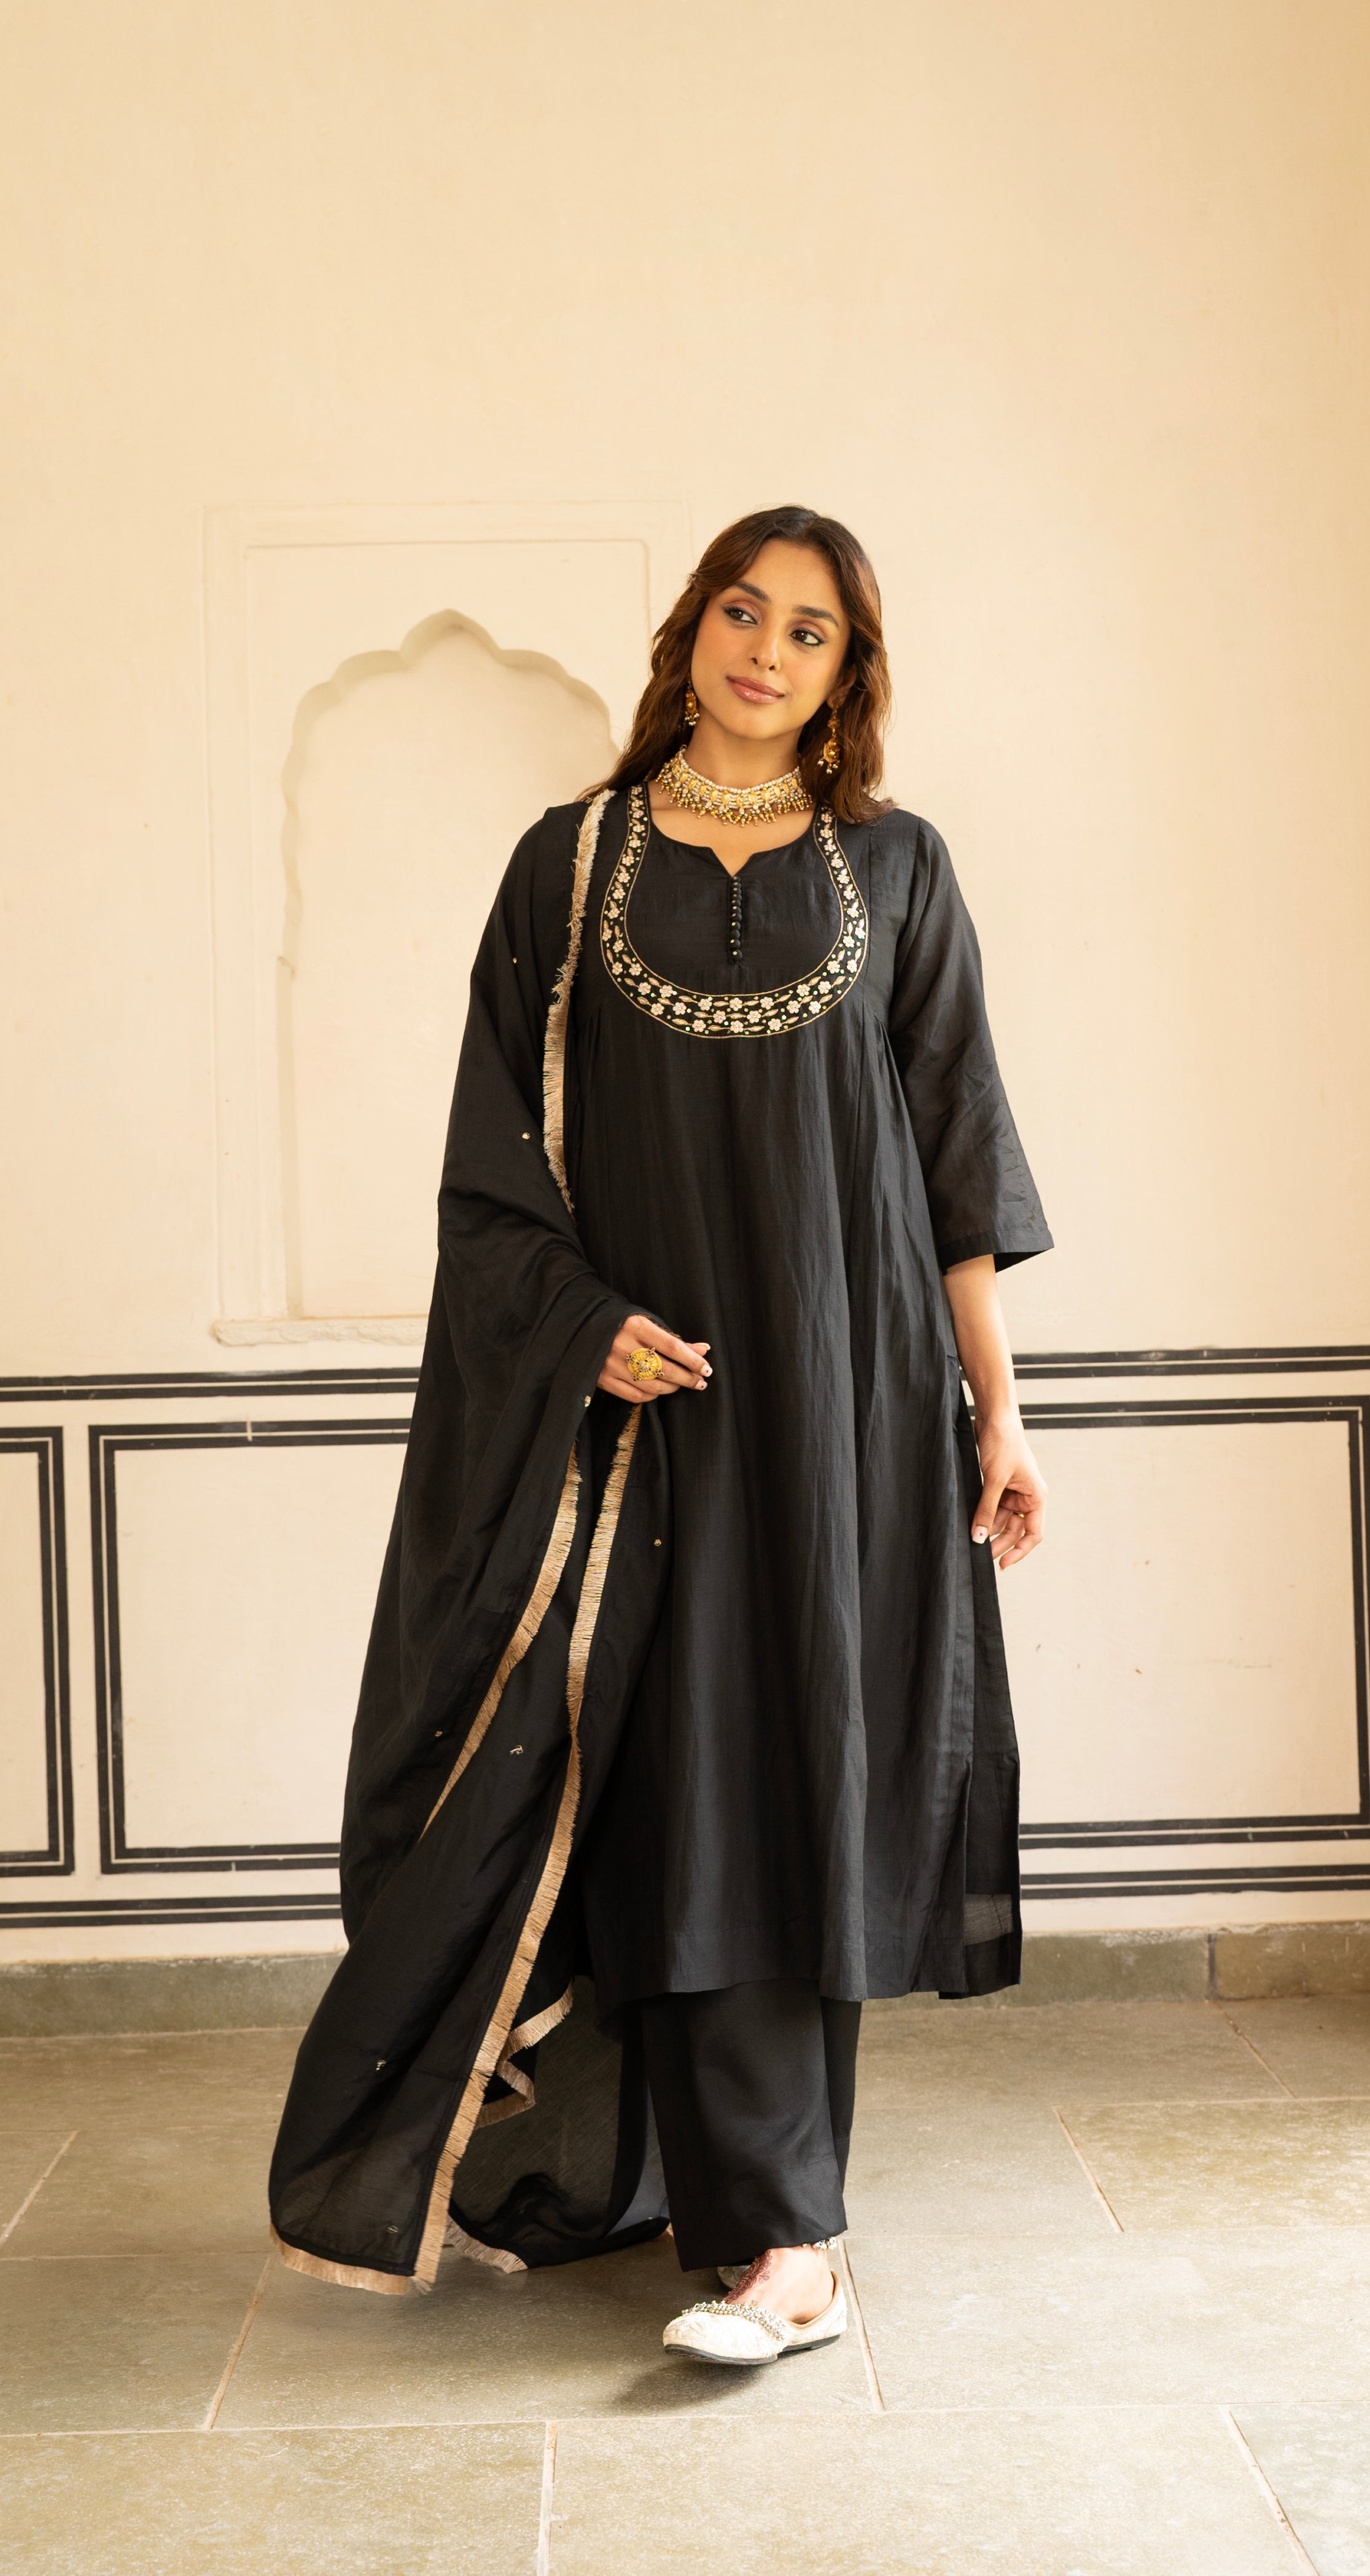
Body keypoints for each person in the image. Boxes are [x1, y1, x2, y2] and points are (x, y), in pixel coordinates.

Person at [268, 505, 1052, 2367]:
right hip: (644, 1417)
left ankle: (788, 2243)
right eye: (741, 612)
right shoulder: (569, 868)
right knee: (672, 1781)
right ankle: (733, 2207)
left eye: (810, 631)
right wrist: (580, 1326)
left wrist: (1002, 1413)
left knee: (798, 1771)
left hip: (852, 1415)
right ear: (689, 631)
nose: (766, 651)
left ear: (848, 674)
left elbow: (957, 1156)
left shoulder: (898, 868)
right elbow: (490, 1172)